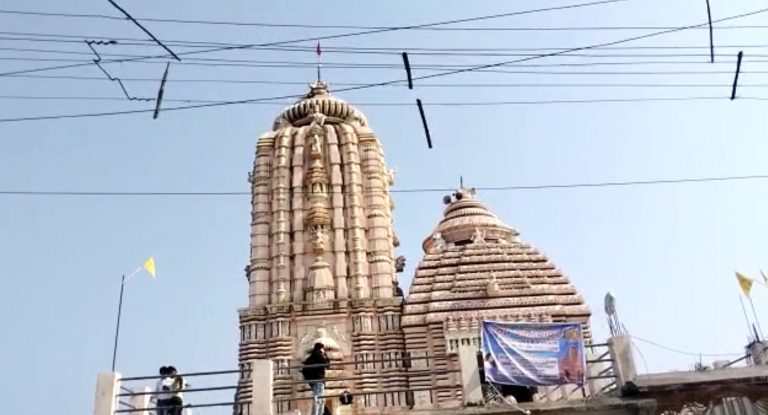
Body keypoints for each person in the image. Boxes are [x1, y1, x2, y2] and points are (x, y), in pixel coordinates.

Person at [301, 343, 330, 415]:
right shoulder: (319, 355)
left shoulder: (311, 357)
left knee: (318, 398)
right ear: (321, 348)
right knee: (319, 398)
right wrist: (326, 356)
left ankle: (318, 413)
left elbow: (304, 370)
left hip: (313, 381)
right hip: (319, 379)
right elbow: (327, 365)